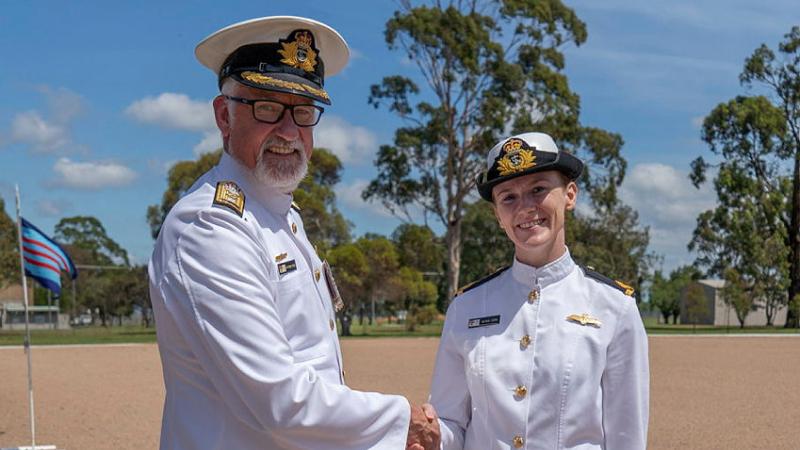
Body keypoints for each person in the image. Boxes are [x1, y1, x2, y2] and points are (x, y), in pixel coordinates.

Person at [148, 16, 439, 449]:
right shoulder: (210, 227)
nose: (289, 131)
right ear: (223, 116)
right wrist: (402, 423)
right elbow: (280, 401)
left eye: (303, 112)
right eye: (267, 108)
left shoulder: (281, 217)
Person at [428, 132, 649, 449]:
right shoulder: (467, 308)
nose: (525, 207)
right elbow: (451, 423)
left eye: (538, 189)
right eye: (508, 197)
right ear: (498, 215)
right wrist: (427, 434)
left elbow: (627, 436)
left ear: (570, 195)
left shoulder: (614, 307)